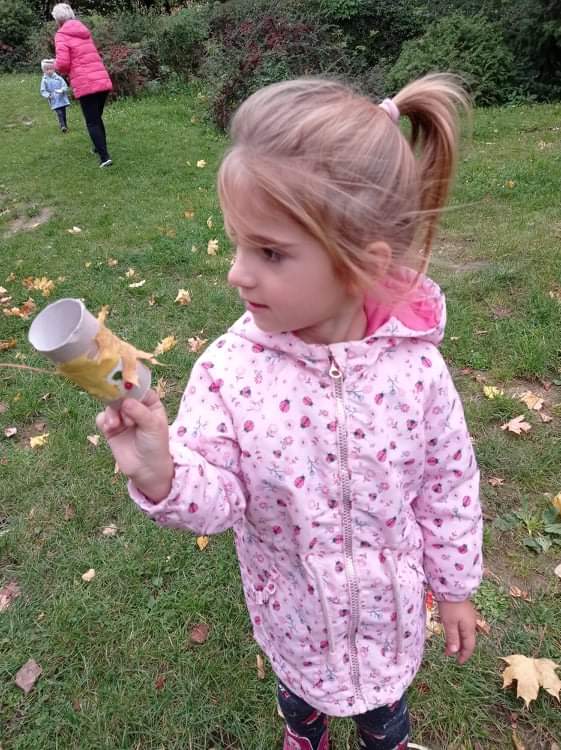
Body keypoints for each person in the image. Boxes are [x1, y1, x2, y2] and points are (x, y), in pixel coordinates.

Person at [97, 74, 483, 750]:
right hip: (294, 618)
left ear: (361, 265)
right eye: (238, 243)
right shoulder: (229, 372)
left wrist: (453, 588)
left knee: (384, 717)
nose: (237, 273)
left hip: (388, 617)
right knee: (300, 695)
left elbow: (448, 487)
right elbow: (219, 499)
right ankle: (304, 733)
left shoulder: (416, 371)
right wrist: (162, 473)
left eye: (270, 252)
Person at [51, 3, 113, 167]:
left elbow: (63, 64)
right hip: (102, 80)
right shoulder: (83, 31)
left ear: (58, 19)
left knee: (92, 121)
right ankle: (98, 147)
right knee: (96, 118)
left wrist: (54, 64)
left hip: (86, 83)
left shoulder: (61, 35)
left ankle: (105, 158)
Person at [39, 58, 70, 132]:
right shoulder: (44, 80)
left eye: (51, 69)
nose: (49, 71)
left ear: (54, 69)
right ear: (44, 70)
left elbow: (64, 86)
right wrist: (48, 95)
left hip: (61, 98)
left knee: (63, 112)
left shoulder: (58, 78)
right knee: (59, 113)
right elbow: (43, 90)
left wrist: (61, 90)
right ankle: (62, 126)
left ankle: (65, 125)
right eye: (47, 69)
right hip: (53, 99)